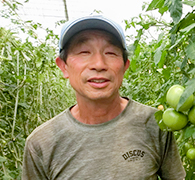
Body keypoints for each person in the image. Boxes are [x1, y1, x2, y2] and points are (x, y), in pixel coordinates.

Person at [22, 15, 186, 180]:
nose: (99, 64)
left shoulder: (156, 124)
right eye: (84, 52)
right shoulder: (41, 144)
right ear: (63, 66)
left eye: (110, 52)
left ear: (125, 66)